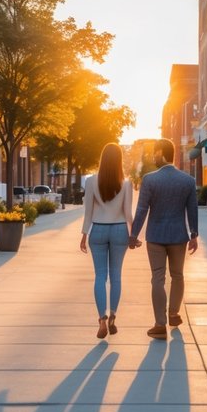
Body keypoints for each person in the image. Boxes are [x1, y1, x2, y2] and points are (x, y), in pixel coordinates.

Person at [130, 138, 198, 340]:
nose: (152, 156)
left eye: (154, 153)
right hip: (179, 236)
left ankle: (160, 324)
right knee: (178, 276)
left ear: (161, 153)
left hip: (156, 237)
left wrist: (133, 235)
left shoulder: (150, 180)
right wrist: (194, 234)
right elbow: (192, 210)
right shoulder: (188, 181)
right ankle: (174, 313)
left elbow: (142, 210)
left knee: (158, 278)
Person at [79, 143, 135, 339]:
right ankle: (113, 317)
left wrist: (84, 234)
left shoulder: (91, 181)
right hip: (120, 229)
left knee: (100, 276)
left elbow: (88, 212)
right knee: (116, 275)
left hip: (99, 229)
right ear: (119, 160)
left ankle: (101, 318)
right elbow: (128, 213)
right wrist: (133, 234)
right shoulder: (127, 183)